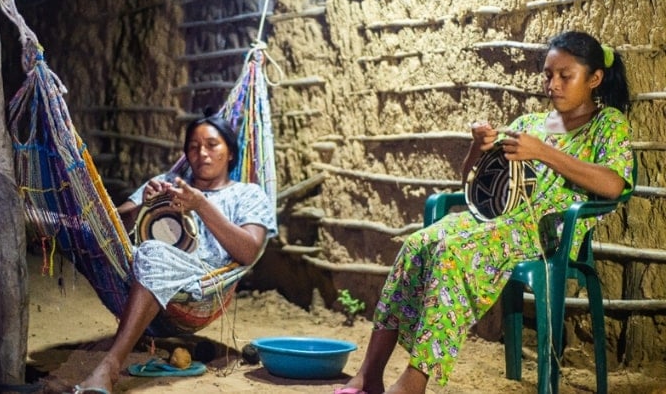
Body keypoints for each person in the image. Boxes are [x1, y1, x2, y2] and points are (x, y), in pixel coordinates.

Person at [336, 30, 635, 394]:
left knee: (452, 253)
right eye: (547, 74)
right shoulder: (530, 124)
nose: (552, 84)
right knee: (418, 243)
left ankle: (414, 382)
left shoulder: (608, 125)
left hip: (547, 234)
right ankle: (370, 375)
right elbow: (475, 182)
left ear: (595, 79)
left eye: (564, 75)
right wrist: (478, 148)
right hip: (495, 221)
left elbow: (614, 185)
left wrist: (543, 153)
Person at [78, 113, 277, 392]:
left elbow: (248, 252)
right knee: (144, 250)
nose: (202, 153)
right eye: (194, 147)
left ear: (230, 152)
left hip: (204, 280)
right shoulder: (169, 182)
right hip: (143, 266)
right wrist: (141, 206)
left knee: (153, 252)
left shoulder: (248, 194)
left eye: (212, 145)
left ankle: (110, 366)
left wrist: (201, 205)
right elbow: (109, 227)